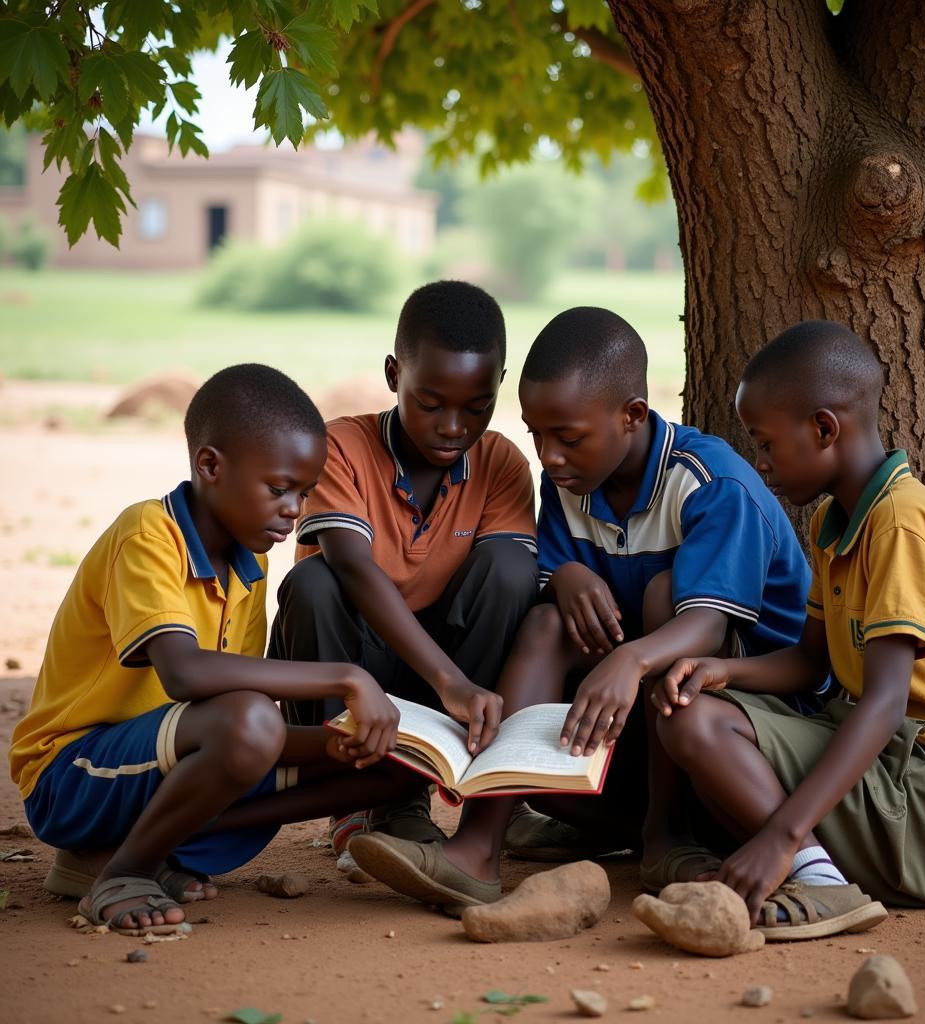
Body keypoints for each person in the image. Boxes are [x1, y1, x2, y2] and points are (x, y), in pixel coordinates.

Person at [348, 306, 812, 913]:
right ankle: (479, 847)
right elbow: (557, 582)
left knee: (662, 595)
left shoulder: (708, 484)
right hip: (634, 743)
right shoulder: (570, 483)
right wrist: (562, 574)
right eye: (535, 434)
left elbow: (708, 624)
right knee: (546, 621)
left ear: (632, 416)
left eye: (567, 437)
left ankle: (667, 839)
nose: (548, 456)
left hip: (739, 734)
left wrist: (628, 659)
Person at [9, 364, 420, 935]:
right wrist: (349, 678)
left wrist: (343, 744)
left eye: (303, 493)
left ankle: (163, 851)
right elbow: (185, 675)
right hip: (73, 775)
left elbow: (237, 720)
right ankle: (125, 871)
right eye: (278, 489)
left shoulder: (248, 570)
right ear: (209, 466)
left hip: (168, 762)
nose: (294, 510)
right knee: (253, 720)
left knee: (393, 767)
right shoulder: (149, 534)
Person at [648, 320, 925, 940]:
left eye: (766, 444)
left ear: (824, 428)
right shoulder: (833, 523)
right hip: (892, 775)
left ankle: (814, 879)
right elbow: (810, 663)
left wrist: (781, 837)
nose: (760, 464)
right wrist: (723, 671)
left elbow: (884, 703)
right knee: (695, 709)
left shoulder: (899, 523)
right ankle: (805, 864)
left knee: (697, 728)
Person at [267, 280, 552, 850]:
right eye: (430, 403)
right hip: (358, 668)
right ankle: (352, 796)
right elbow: (352, 567)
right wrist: (449, 682)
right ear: (395, 375)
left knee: (512, 571)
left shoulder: (500, 463)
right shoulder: (341, 446)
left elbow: (506, 589)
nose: (453, 426)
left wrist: (454, 681)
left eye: (477, 407)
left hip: (453, 668)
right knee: (315, 582)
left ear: (498, 385)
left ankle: (428, 793)